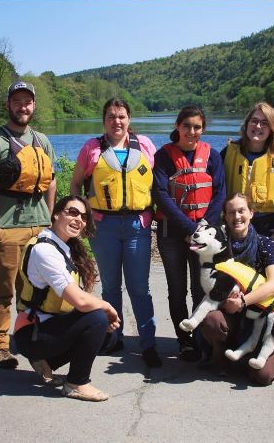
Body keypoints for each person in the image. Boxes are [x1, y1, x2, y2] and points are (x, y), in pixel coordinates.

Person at [0, 81, 57, 369]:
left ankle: (28, 339)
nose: (23, 106)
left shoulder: (41, 140)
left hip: (40, 228)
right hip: (7, 228)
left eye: (28, 102)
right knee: (3, 289)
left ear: (34, 105)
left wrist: (51, 218)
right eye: (18, 101)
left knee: (35, 290)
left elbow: (51, 181)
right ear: (8, 104)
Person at [70, 98, 160, 368]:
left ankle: (149, 344)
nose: (116, 121)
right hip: (103, 225)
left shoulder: (144, 145)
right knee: (110, 287)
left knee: (139, 288)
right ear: (104, 121)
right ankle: (113, 337)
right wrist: (78, 218)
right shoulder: (92, 148)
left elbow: (158, 183)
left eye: (121, 116)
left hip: (137, 225)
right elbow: (75, 183)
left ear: (129, 119)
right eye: (111, 116)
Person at [13, 195, 120, 402]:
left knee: (108, 333)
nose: (78, 219)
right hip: (32, 332)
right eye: (72, 212)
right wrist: (107, 306)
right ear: (55, 214)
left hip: (50, 326)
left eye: (84, 216)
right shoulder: (45, 250)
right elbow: (79, 301)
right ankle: (76, 383)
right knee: (98, 318)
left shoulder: (66, 247)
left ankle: (47, 362)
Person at [152, 105, 226, 361]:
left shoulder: (213, 156)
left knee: (200, 289)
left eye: (197, 127)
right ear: (177, 126)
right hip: (171, 234)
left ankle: (201, 340)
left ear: (203, 129)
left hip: (203, 235)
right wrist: (189, 228)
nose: (191, 131)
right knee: (177, 290)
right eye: (186, 126)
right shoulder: (164, 156)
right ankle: (184, 342)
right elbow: (160, 195)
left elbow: (220, 194)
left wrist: (202, 228)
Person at [199, 193, 274, 385]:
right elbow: (209, 284)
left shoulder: (265, 244)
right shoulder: (218, 247)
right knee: (213, 321)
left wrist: (243, 301)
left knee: (263, 377)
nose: (237, 217)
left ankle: (252, 356)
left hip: (261, 316)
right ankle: (221, 358)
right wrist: (226, 299)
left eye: (241, 211)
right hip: (228, 310)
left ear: (251, 213)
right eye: (231, 212)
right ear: (225, 216)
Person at [221, 102, 274, 251]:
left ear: (272, 128)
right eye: (254, 121)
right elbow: (215, 189)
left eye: (265, 123)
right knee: (232, 273)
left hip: (267, 227)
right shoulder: (228, 153)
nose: (258, 127)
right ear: (247, 124)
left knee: (267, 274)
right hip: (233, 224)